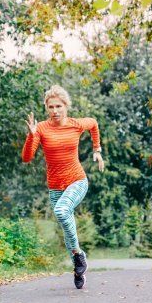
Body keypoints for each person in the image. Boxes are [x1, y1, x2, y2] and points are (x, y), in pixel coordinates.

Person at [22, 85, 104, 289]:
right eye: (51, 107)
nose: (55, 110)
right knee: (67, 227)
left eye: (58, 106)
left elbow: (93, 124)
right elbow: (27, 158)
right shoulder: (40, 128)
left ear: (66, 106)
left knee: (61, 210)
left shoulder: (76, 124)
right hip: (55, 186)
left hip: (77, 180)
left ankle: (78, 255)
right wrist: (31, 135)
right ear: (46, 108)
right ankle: (78, 268)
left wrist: (97, 149)